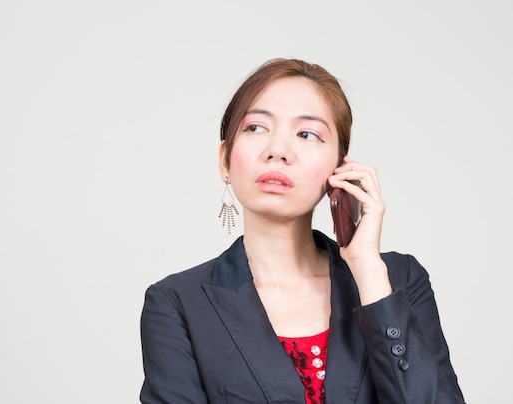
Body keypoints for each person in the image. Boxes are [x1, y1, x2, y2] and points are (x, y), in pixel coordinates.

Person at [139, 58, 465, 403]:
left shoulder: (399, 280)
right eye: (255, 128)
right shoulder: (177, 303)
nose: (278, 151)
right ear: (225, 159)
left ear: (341, 169)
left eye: (307, 134)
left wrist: (367, 268)